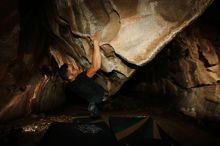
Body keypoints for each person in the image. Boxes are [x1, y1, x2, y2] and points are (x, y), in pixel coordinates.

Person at [58, 32, 105, 118]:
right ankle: (93, 107)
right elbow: (96, 66)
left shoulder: (72, 85)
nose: (75, 67)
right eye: (73, 69)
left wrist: (78, 72)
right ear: (70, 77)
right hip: (99, 98)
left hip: (95, 99)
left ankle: (93, 108)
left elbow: (78, 78)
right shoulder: (81, 79)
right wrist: (96, 42)